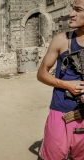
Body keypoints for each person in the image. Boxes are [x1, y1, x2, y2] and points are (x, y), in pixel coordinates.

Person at [37, 0, 84, 159]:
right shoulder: (62, 40)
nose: (71, 14)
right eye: (72, 9)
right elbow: (42, 73)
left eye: (78, 10)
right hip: (61, 112)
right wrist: (66, 84)